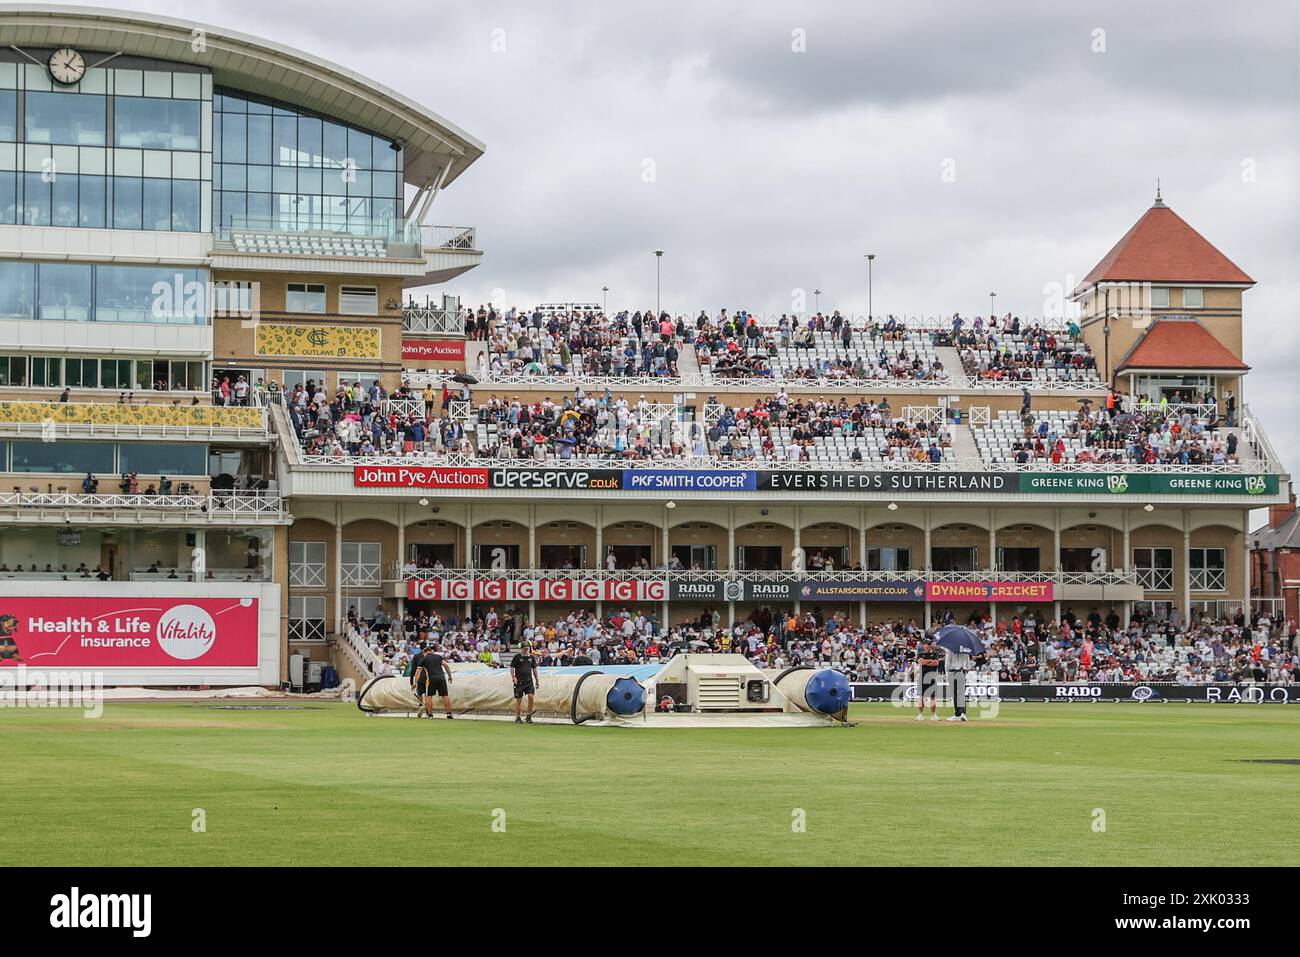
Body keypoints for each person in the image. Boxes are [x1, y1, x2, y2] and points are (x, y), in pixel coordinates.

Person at [411, 642, 454, 718]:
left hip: (431, 678)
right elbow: (446, 665)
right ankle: (449, 713)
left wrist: (415, 683)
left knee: (429, 696)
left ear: (425, 653)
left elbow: (418, 672)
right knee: (445, 695)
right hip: (441, 678)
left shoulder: (423, 659)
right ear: (431, 651)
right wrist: (450, 676)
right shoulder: (438, 657)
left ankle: (430, 714)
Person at [510, 641, 540, 723]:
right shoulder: (517, 657)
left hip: (529, 681)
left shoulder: (532, 658)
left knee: (531, 697)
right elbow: (512, 667)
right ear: (522, 649)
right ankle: (518, 717)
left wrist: (537, 679)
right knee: (519, 700)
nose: (526, 650)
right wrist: (513, 678)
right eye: (525, 649)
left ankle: (528, 716)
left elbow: (534, 669)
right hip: (519, 682)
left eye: (527, 649)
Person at [915, 636, 943, 721]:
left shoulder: (935, 654)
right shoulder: (920, 653)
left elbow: (936, 663)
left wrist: (926, 662)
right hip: (922, 677)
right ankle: (920, 714)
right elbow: (921, 662)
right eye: (925, 644)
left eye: (926, 644)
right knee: (921, 697)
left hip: (932, 677)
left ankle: (934, 715)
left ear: (930, 645)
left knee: (933, 697)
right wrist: (930, 661)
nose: (925, 646)